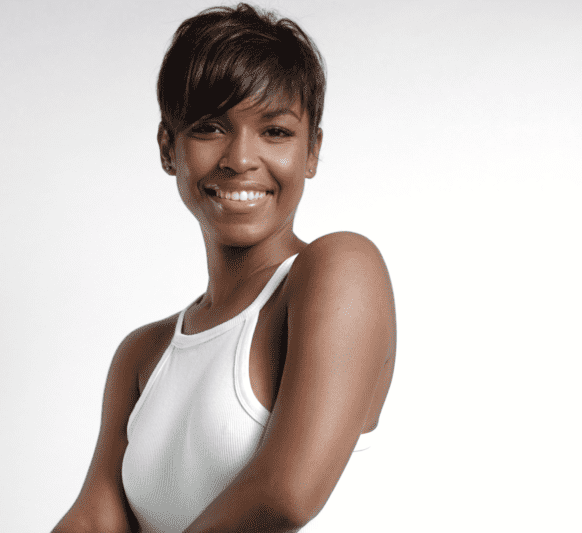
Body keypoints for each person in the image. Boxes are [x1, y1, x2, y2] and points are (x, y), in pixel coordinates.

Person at [52, 4, 396, 532]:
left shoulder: (340, 269)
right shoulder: (142, 355)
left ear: (312, 151)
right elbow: (96, 521)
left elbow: (285, 496)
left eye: (275, 132)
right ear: (169, 148)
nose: (240, 157)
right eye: (210, 127)